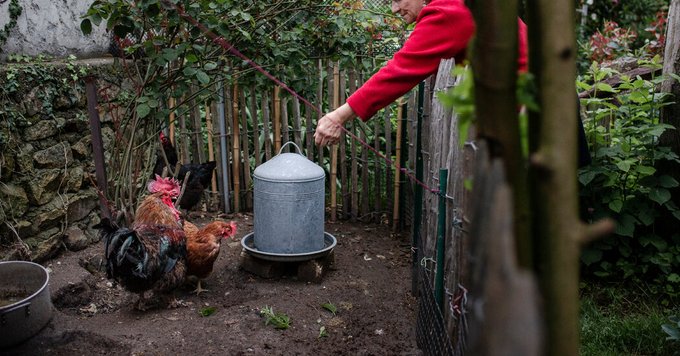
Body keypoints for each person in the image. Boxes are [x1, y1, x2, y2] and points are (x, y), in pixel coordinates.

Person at [314, 0, 528, 147]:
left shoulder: (447, 12)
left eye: (397, 0)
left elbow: (398, 72)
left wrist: (338, 116)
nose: (394, 9)